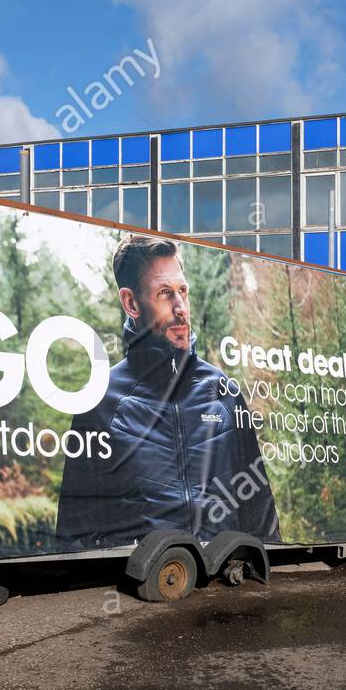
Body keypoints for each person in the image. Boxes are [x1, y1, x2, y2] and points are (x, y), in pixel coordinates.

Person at [57, 234, 280, 547]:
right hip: (142, 587)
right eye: (164, 294)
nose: (180, 308)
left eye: (183, 292)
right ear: (131, 303)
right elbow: (74, 536)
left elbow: (262, 519)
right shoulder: (100, 402)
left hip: (226, 587)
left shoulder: (223, 393)